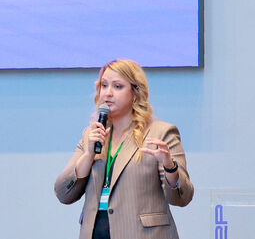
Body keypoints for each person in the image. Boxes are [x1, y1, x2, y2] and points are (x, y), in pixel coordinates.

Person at [54, 59, 193, 239]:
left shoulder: (161, 133)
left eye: (117, 86)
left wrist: (169, 166)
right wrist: (88, 155)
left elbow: (182, 197)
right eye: (104, 85)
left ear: (135, 92)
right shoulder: (92, 135)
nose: (108, 93)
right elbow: (63, 193)